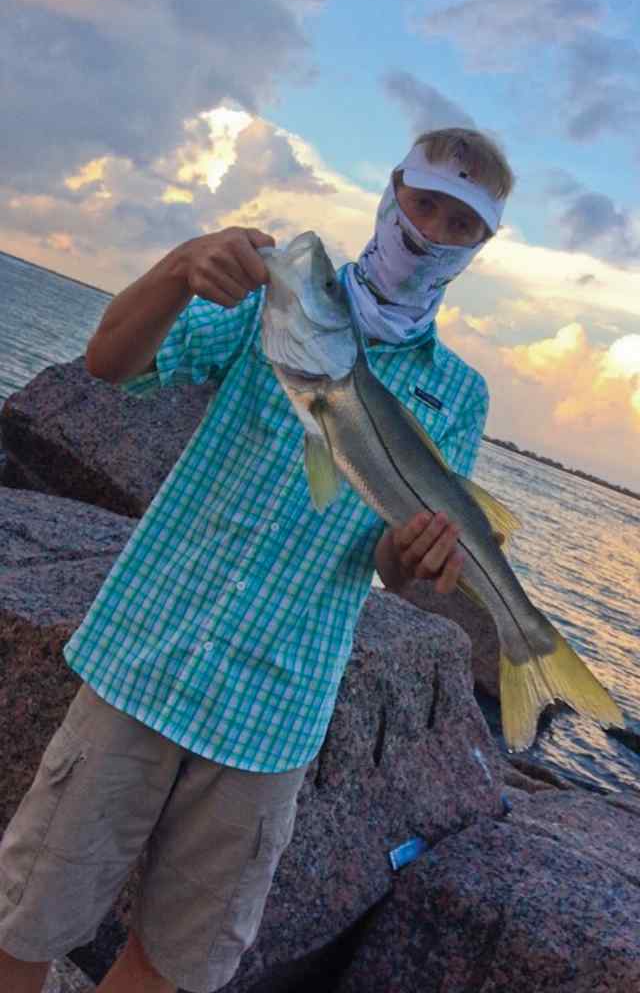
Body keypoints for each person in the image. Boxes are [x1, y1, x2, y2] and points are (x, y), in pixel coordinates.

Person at [0, 127, 514, 993]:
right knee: (25, 918)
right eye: (425, 200)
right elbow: (110, 364)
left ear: (481, 246)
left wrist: (424, 560)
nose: (431, 228)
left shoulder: (458, 394)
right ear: (391, 191)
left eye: (461, 221)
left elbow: (391, 563)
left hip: (274, 714)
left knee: (170, 964)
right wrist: (178, 268)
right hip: (145, 659)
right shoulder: (271, 304)